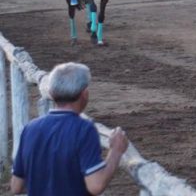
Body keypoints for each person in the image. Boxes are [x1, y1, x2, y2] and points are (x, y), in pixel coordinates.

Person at [11, 62, 128, 196]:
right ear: (85, 93)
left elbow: (16, 186)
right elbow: (96, 185)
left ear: (51, 93)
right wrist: (116, 151)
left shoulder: (30, 128)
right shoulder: (84, 129)